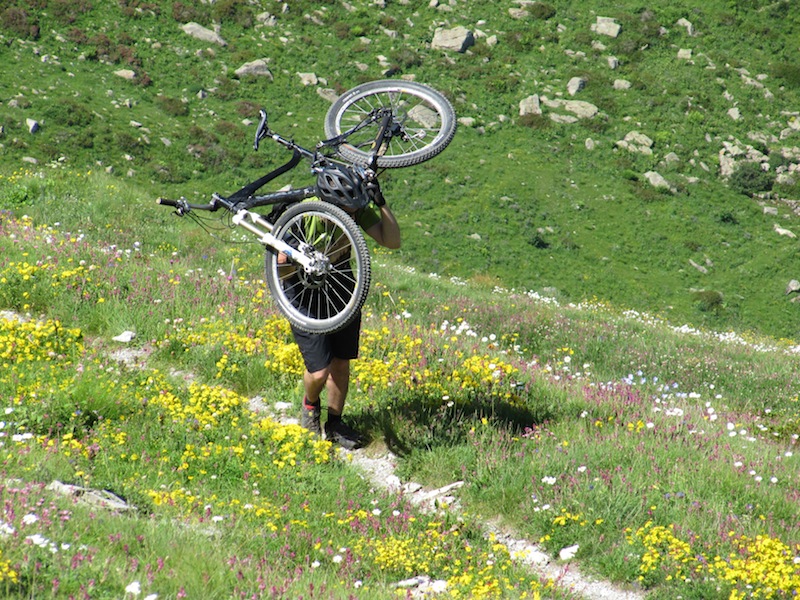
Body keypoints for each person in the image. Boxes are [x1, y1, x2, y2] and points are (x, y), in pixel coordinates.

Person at [286, 165, 400, 449]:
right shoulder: (305, 215)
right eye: (345, 211)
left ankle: (335, 424)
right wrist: (303, 260)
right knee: (318, 371)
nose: (350, 216)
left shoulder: (355, 208)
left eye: (354, 211)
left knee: (340, 361)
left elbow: (392, 240)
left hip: (341, 283)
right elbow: (281, 269)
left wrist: (380, 202)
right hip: (303, 290)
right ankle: (310, 407)